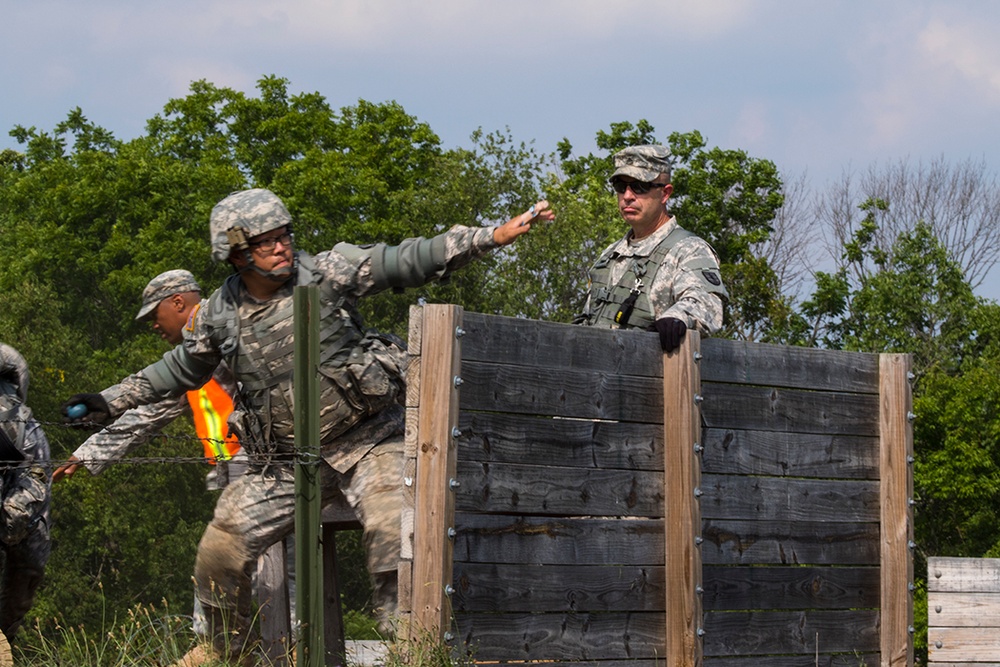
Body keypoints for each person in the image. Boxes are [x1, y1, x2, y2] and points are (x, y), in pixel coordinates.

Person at [62, 188, 553, 664]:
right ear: (235, 254)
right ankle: (227, 652)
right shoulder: (217, 314)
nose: (281, 246)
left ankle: (414, 653)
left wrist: (490, 236)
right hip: (287, 463)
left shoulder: (326, 273)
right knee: (219, 550)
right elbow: (177, 371)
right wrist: (108, 400)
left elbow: (407, 259)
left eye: (284, 234)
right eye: (265, 241)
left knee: (393, 537)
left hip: (368, 440)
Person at [52, 270, 243, 489]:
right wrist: (87, 454)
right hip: (239, 470)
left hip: (266, 464)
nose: (154, 325)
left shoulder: (226, 330)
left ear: (178, 302)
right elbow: (147, 414)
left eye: (155, 315)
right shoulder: (195, 359)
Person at [575, 144, 727, 351]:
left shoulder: (688, 249)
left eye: (640, 186)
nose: (627, 195)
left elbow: (706, 303)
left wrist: (677, 317)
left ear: (665, 194)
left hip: (651, 375)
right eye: (621, 186)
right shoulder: (610, 255)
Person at [0, 343, 51, 647]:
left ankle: (5, 634)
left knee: (29, 559)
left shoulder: (24, 426)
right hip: (26, 448)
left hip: (27, 458)